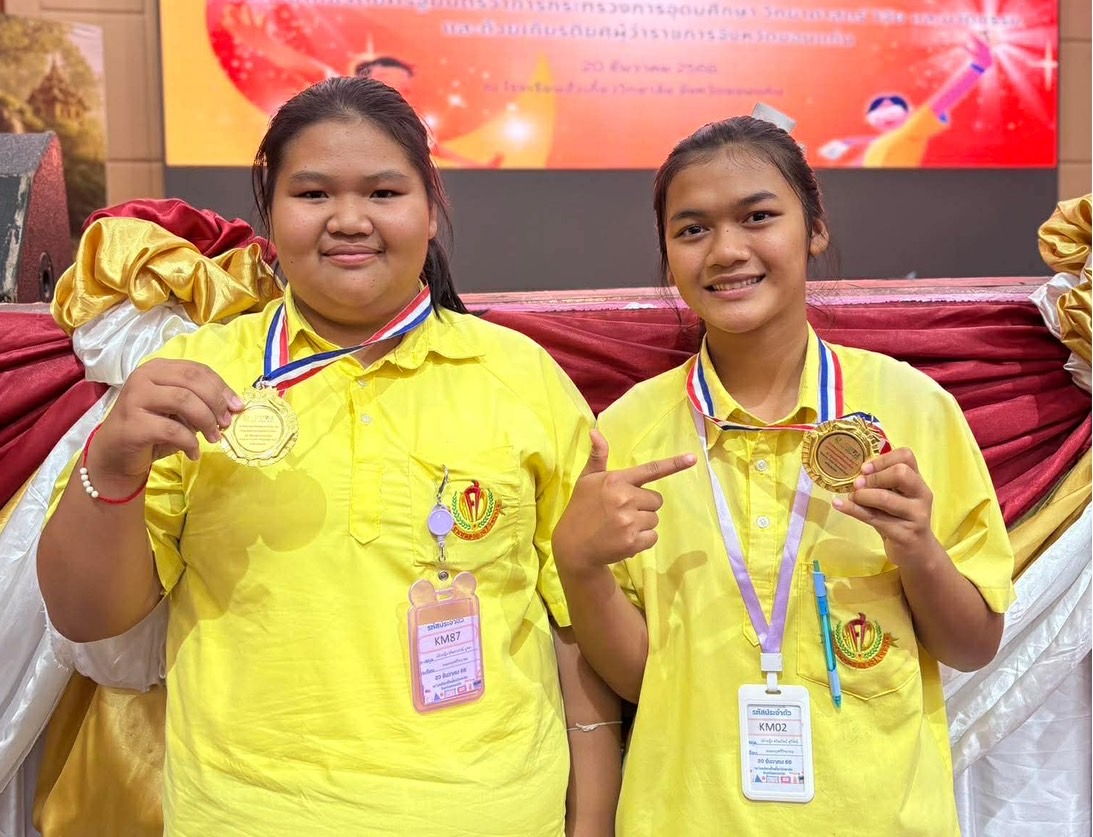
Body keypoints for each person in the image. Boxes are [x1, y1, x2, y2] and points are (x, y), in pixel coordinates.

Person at [37, 76, 619, 836]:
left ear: (430, 207)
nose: (349, 219)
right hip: (244, 817)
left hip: (492, 813)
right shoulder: (194, 378)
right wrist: (113, 465)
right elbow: (87, 616)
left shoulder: (521, 378)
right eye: (312, 194)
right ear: (270, 211)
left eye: (383, 192)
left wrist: (592, 823)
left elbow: (574, 627)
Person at [552, 114, 1014, 834]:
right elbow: (644, 678)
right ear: (667, 253)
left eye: (758, 217)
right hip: (687, 816)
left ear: (814, 228)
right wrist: (579, 566)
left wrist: (918, 549)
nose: (726, 251)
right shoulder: (629, 432)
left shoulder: (912, 409)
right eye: (692, 229)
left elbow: (973, 645)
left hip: (878, 818)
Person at [819, 33, 993, 167]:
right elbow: (857, 165)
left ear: (908, 113)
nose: (886, 116)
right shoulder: (876, 147)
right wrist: (847, 143)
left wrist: (978, 68)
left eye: (893, 110)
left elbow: (945, 99)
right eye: (879, 112)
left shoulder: (912, 129)